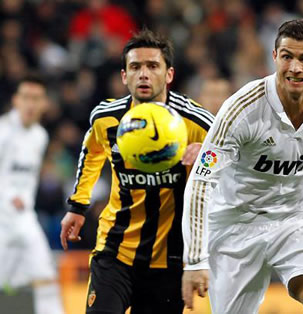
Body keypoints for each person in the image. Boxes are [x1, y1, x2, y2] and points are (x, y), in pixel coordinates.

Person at [182, 18, 303, 313]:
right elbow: (201, 181)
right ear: (275, 57)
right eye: (287, 57)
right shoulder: (241, 110)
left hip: (292, 220)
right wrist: (195, 258)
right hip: (234, 224)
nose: (295, 68)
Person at [59, 29, 214, 314]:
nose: (144, 74)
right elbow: (91, 151)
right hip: (114, 251)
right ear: (123, 76)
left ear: (169, 75)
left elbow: (232, 160)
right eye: (135, 67)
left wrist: (208, 157)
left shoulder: (199, 123)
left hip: (169, 260)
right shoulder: (106, 118)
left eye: (153, 66)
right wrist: (78, 206)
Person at [0, 76, 65, 314]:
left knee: (45, 276)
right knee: (8, 286)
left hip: (24, 219)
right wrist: (7, 196)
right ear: (16, 101)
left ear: (44, 104)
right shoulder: (2, 132)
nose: (30, 104)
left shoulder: (40, 136)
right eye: (26, 98)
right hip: (1, 221)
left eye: (36, 99)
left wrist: (22, 199)